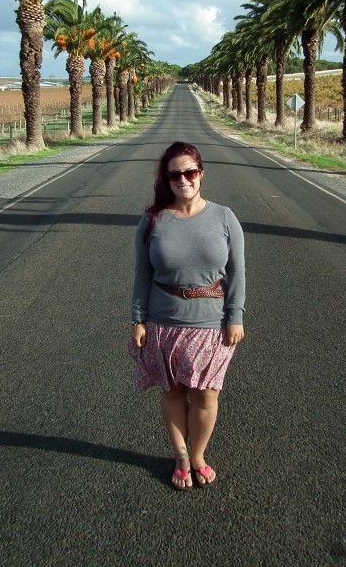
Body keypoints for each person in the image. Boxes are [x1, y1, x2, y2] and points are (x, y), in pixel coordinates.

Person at [128, 141, 246, 491]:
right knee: (174, 391)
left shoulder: (224, 217)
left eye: (190, 172)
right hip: (163, 321)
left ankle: (197, 455)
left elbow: (237, 271)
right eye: (175, 174)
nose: (184, 179)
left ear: (201, 174)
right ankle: (180, 457)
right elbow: (141, 274)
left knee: (207, 394)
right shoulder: (153, 221)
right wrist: (138, 319)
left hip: (211, 322)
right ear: (166, 179)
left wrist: (235, 316)